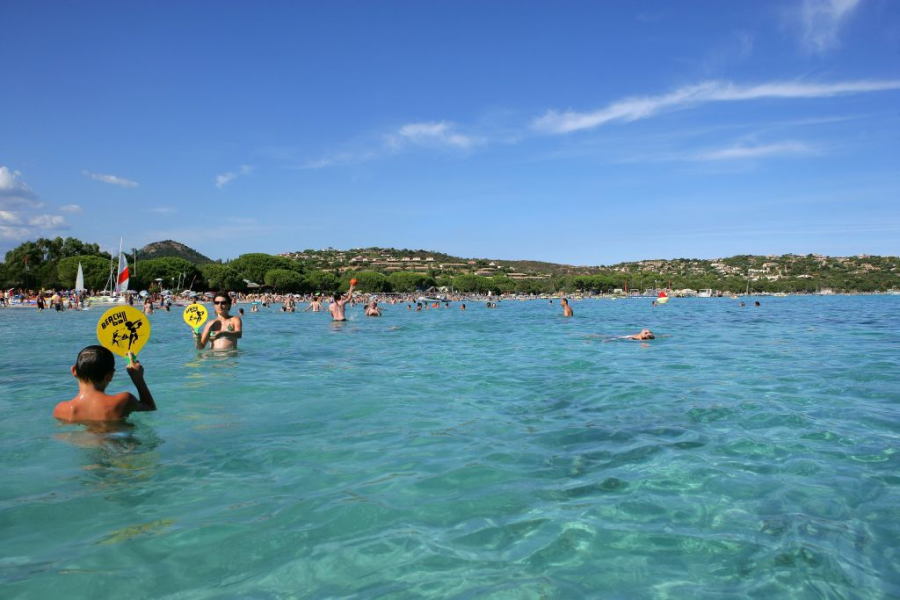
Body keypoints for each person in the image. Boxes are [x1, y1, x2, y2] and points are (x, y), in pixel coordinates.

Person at [53, 347, 155, 422]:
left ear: (74, 371)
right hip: (123, 448)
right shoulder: (123, 401)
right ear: (110, 375)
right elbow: (150, 409)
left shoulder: (61, 410)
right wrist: (138, 379)